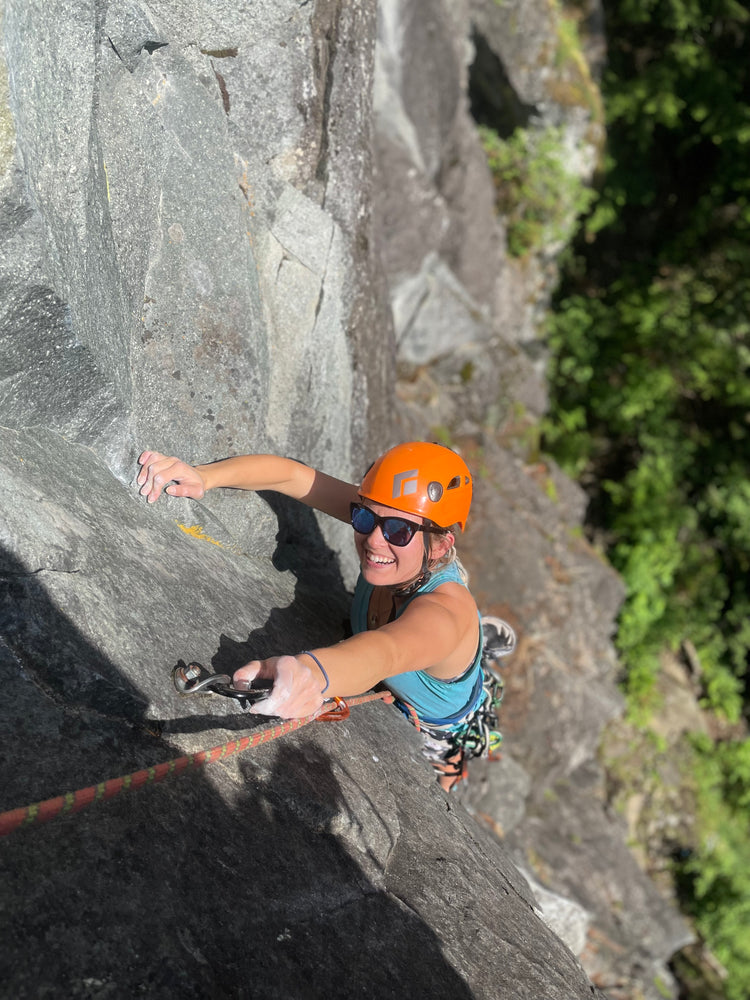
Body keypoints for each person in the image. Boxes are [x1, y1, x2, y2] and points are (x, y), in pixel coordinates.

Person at [137, 442, 515, 790]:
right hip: (405, 637)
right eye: (365, 518)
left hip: (436, 719)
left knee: (445, 762)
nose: (374, 540)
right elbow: (294, 476)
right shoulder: (391, 518)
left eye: (398, 531)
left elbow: (386, 652)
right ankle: (475, 657)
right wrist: (205, 476)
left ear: (440, 545)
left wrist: (311, 673)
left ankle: (464, 706)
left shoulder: (444, 615)